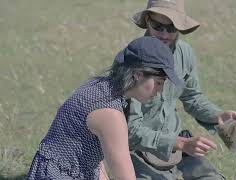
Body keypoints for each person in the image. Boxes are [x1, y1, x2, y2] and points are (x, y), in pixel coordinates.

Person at [26, 36, 182, 180]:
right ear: (138, 74)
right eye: (159, 82)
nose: (160, 91)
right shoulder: (110, 115)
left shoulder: (102, 86)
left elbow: (90, 155)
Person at [121, 0, 236, 179]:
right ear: (147, 20)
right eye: (158, 26)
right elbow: (130, 131)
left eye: (171, 28)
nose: (164, 35)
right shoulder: (131, 60)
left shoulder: (184, 53)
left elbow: (193, 98)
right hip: (140, 150)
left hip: (178, 146)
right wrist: (178, 143)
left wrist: (218, 115)